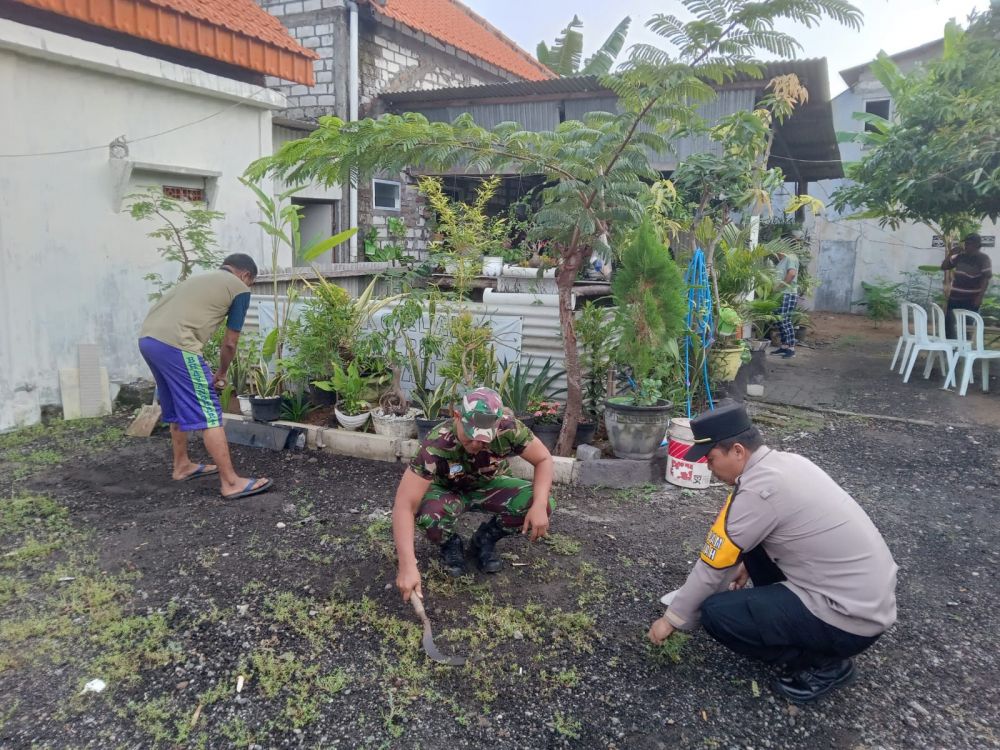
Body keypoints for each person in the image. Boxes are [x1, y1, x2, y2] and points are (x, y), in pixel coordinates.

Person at [647, 401, 897, 704]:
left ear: (738, 451)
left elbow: (713, 567)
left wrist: (672, 620)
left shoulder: (760, 490)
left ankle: (823, 665)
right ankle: (804, 632)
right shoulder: (786, 463)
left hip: (848, 618)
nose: (709, 469)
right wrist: (749, 566)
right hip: (864, 596)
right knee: (748, 549)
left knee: (716, 613)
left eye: (711, 459)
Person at [392, 387, 554, 602]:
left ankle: (484, 540)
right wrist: (407, 564)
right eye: (471, 435)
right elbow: (404, 504)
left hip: (488, 485)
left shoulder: (509, 428)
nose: (477, 443)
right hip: (448, 491)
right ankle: (450, 543)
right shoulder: (435, 444)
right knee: (428, 515)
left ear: (498, 424)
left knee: (539, 502)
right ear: (457, 417)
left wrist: (540, 504)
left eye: (484, 438)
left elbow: (543, 459)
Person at [138, 253, 272, 500]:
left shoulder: (200, 280)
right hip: (178, 345)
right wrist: (221, 373)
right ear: (246, 276)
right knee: (209, 410)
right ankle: (231, 482)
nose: (248, 287)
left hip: (149, 341)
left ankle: (182, 465)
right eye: (250, 283)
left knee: (178, 405)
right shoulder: (238, 288)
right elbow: (230, 343)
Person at [941, 233, 993, 339]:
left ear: (977, 245)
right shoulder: (960, 257)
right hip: (954, 298)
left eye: (969, 243)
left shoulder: (983, 258)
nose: (966, 245)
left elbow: (986, 278)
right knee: (949, 326)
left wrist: (980, 297)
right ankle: (951, 351)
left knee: (967, 328)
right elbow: (944, 266)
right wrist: (950, 253)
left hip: (971, 300)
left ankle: (965, 352)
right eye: (966, 243)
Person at [770, 249, 799, 358]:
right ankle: (784, 346)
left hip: (788, 293)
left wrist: (780, 287)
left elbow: (791, 274)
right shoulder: (783, 260)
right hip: (781, 295)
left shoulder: (790, 257)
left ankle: (791, 348)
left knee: (785, 320)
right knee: (779, 321)